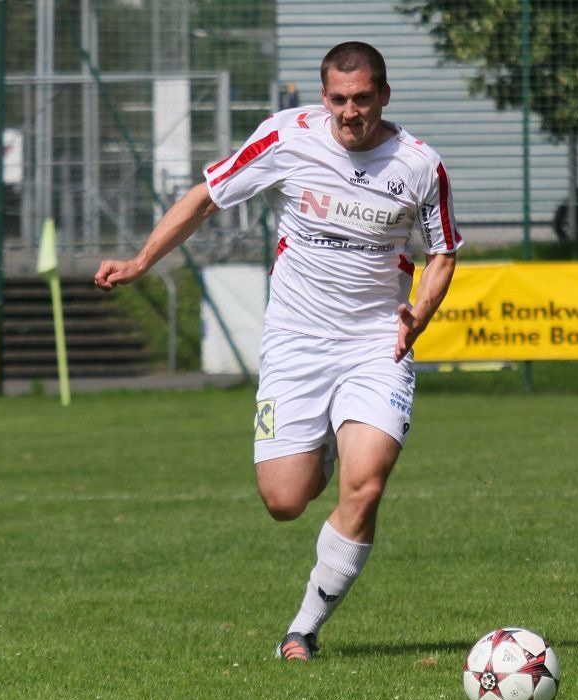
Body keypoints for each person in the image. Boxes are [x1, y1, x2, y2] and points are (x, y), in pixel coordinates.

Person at [94, 41, 462, 661]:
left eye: (362, 99)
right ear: (324, 98)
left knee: (366, 485)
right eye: (339, 100)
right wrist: (141, 261)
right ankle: (325, 445)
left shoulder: (421, 165)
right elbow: (205, 197)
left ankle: (303, 630)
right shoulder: (286, 137)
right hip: (295, 342)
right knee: (285, 501)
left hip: (377, 343)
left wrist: (418, 315)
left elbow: (443, 253)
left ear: (384, 95)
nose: (351, 112)